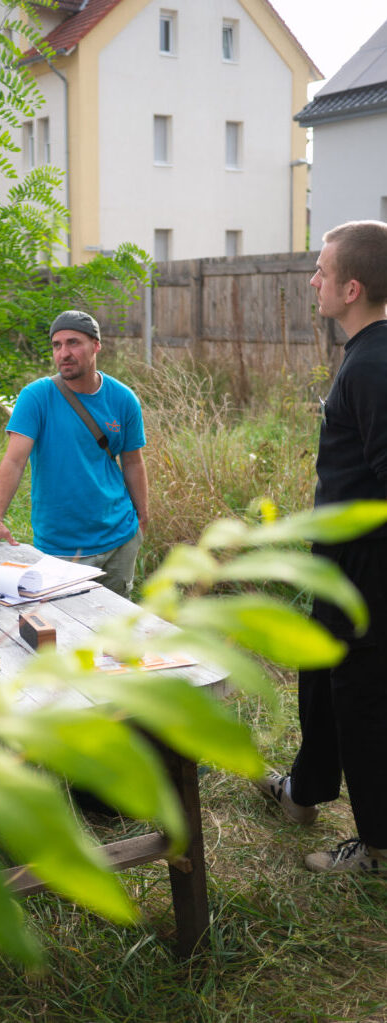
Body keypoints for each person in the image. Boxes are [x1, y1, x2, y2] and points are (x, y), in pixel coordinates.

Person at [255, 221, 387, 874]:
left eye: (323, 272)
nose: (314, 282)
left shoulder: (375, 365)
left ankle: (378, 848)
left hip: (368, 569)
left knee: (361, 699)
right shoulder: (365, 354)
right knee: (320, 677)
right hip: (341, 563)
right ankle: (303, 793)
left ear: (351, 288)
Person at [0, 310, 148, 598]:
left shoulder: (123, 398)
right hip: (60, 548)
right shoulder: (36, 397)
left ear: (96, 346)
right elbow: (13, 462)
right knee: (61, 624)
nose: (64, 353)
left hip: (120, 539)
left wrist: (142, 519)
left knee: (114, 623)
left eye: (74, 343)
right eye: (57, 345)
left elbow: (133, 463)